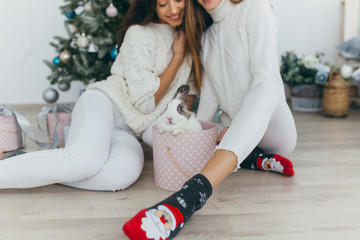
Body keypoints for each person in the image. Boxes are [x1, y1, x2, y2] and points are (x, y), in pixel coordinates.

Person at [122, 0, 297, 239]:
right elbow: (211, 100)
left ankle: (190, 197)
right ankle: (252, 157)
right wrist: (195, 135)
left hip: (274, 128)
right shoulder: (207, 37)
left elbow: (265, 77)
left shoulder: (255, 8)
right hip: (232, 129)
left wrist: (232, 128)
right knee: (169, 132)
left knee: (265, 88)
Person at [0, 0, 209, 191]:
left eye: (178, 0)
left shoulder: (191, 40)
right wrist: (178, 57)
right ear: (151, 5)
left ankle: (46, 165)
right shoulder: (139, 33)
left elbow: (181, 106)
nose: (174, 9)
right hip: (105, 102)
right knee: (84, 162)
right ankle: (53, 162)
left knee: (122, 175)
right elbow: (146, 102)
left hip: (129, 129)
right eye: (163, 3)